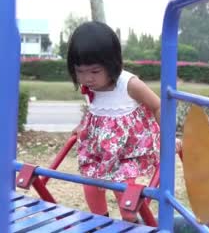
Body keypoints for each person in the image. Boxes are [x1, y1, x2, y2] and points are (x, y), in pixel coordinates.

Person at [67, 21, 178, 222]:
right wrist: (83, 125)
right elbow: (95, 110)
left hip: (128, 151)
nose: (87, 78)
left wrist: (169, 136)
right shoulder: (91, 87)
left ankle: (131, 224)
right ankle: (100, 223)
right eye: (80, 71)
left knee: (124, 192)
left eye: (94, 71)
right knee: (90, 186)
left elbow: (158, 106)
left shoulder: (129, 84)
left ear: (112, 64)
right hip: (100, 150)